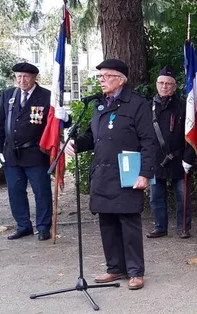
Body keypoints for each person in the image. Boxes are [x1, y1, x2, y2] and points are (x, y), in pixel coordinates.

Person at [64, 59, 158, 290]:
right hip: (102, 174)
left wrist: (145, 173)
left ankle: (136, 272)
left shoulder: (137, 104)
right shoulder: (99, 105)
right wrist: (74, 142)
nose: (101, 81)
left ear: (120, 79)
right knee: (107, 222)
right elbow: (91, 136)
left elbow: (149, 141)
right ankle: (115, 268)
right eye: (100, 77)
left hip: (126, 174)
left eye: (105, 76)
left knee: (129, 222)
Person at [0, 62, 70, 241]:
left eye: (26, 76)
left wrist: (66, 118)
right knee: (15, 191)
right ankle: (23, 226)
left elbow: (57, 122)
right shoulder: (8, 95)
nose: (22, 80)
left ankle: (43, 227)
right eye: (18, 76)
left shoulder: (46, 96)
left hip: (35, 152)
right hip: (12, 153)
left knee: (41, 192)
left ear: (34, 78)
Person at [146, 66, 197, 239]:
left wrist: (189, 158)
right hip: (156, 159)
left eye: (168, 83)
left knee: (182, 196)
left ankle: (184, 228)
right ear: (156, 84)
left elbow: (191, 134)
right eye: (161, 83)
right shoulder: (148, 107)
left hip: (179, 157)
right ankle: (160, 227)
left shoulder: (184, 106)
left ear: (174, 87)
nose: (164, 86)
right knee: (156, 197)